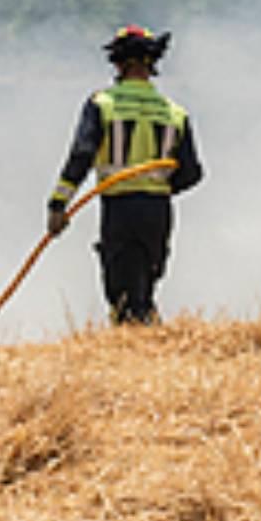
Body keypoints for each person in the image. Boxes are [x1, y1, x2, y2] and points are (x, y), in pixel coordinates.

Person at [46, 25, 202, 325]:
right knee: (144, 288)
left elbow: (81, 156)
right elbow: (192, 172)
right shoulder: (175, 113)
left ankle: (137, 343)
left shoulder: (102, 104)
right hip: (158, 212)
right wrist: (160, 185)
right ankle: (151, 340)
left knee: (123, 295)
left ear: (118, 63)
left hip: (120, 208)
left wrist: (58, 204)